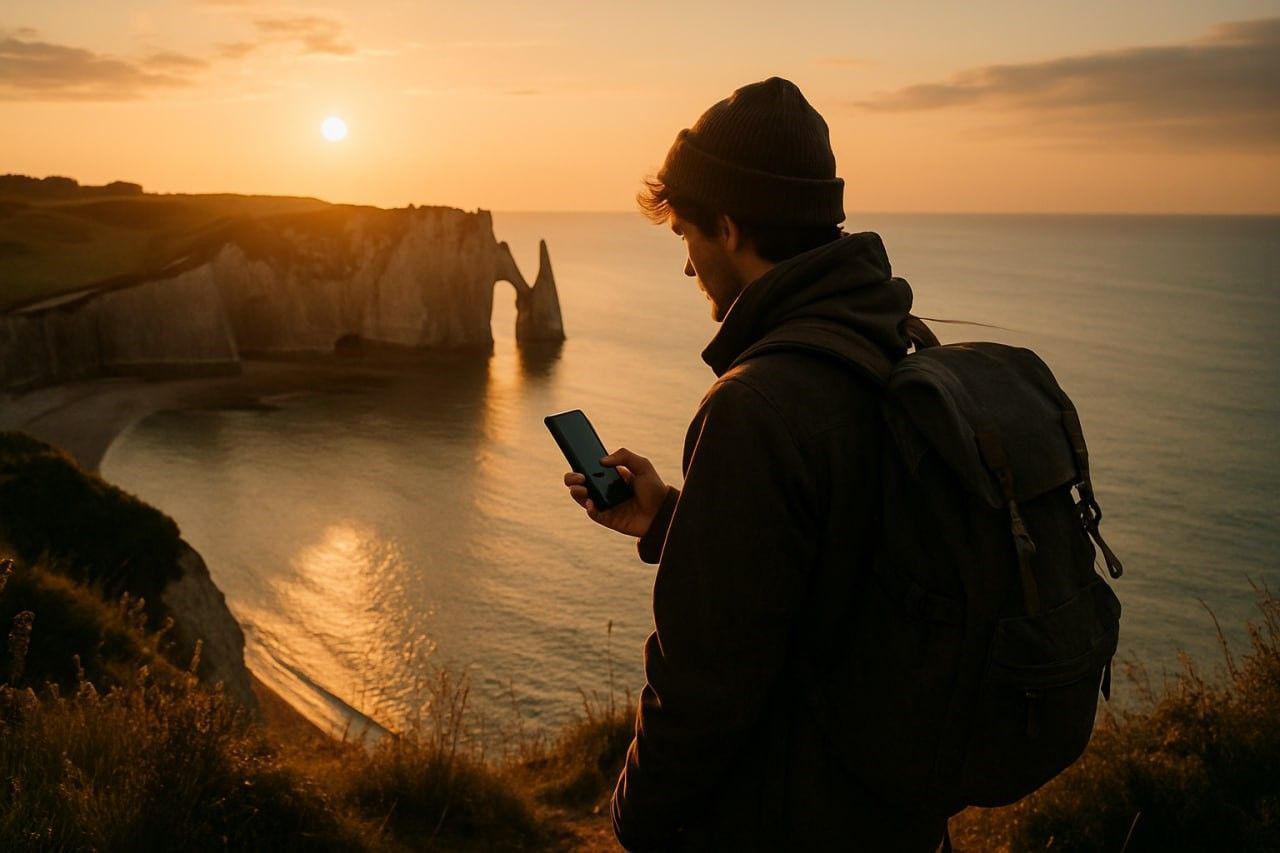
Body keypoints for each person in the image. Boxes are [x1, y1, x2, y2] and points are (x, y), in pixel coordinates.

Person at [562, 77, 948, 851]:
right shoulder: (897, 341)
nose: (686, 266)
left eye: (685, 237)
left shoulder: (754, 403)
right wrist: (675, 519)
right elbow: (836, 565)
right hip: (900, 817)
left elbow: (699, 683)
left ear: (731, 228)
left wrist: (631, 818)